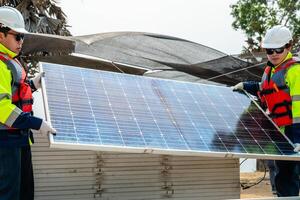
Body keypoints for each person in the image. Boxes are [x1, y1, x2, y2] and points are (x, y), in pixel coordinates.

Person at [233, 25, 300, 197]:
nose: (274, 54)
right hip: (281, 133)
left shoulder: (295, 71)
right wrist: (246, 86)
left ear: (289, 46)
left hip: (295, 135)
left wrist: (299, 138)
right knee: (282, 177)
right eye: (270, 50)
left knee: (289, 178)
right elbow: (264, 88)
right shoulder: (270, 71)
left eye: (278, 49)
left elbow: (299, 107)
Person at [0, 6, 56, 200]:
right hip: (5, 144)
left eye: (23, 37)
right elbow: (2, 109)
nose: (21, 42)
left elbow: (15, 92)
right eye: (17, 37)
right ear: (1, 34)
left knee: (25, 192)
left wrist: (33, 84)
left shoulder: (9, 60)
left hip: (19, 139)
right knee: (9, 195)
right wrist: (36, 123)